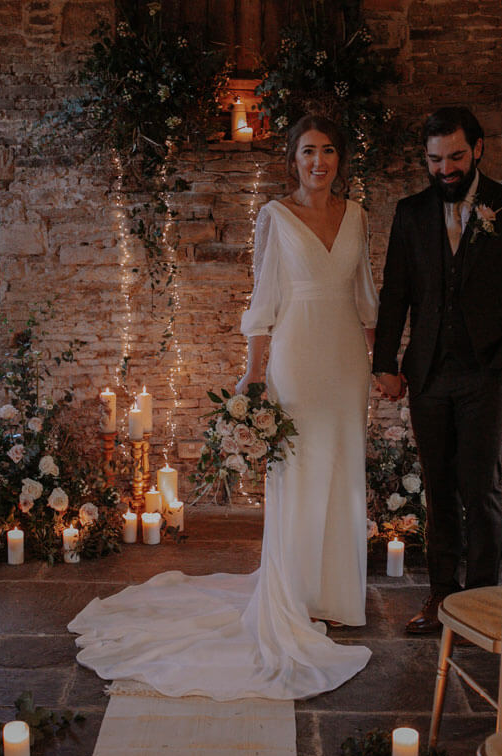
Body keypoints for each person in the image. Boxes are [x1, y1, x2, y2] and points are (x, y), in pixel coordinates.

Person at [69, 115, 377, 699]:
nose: (319, 161)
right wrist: (256, 374)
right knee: (300, 472)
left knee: (343, 471)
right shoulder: (275, 217)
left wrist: (380, 362)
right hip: (297, 357)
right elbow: (263, 301)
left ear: (340, 158)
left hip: (346, 364)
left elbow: (365, 297)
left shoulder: (357, 215)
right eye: (308, 151)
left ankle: (338, 597)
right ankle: (295, 598)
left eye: (329, 150)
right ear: (293, 160)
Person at [372, 107, 502, 635]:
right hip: (429, 373)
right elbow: (395, 293)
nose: (445, 169)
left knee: (479, 485)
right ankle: (440, 596)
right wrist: (385, 364)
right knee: (437, 486)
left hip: (489, 372)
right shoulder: (411, 213)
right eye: (435, 160)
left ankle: (482, 600)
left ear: (478, 149)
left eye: (455, 157)